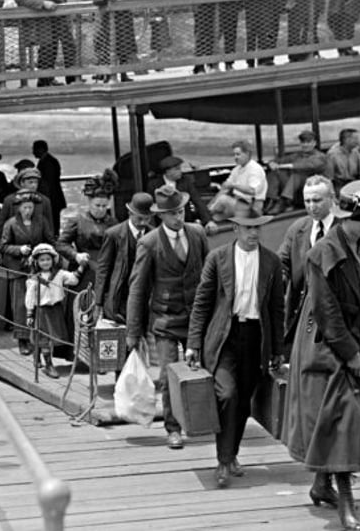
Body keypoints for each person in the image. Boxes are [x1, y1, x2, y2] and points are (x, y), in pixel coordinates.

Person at [282, 179, 360, 530]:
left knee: (333, 425)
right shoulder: (322, 255)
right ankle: (346, 501)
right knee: (346, 423)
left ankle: (321, 485)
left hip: (353, 347)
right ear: (351, 218)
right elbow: (326, 312)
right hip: (323, 350)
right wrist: (350, 354)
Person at [186, 198, 284, 488]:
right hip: (224, 338)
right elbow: (202, 303)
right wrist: (193, 343)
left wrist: (278, 349)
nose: (254, 234)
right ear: (236, 228)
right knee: (226, 394)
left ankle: (231, 455)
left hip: (256, 338)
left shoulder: (271, 261)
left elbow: (277, 308)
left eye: (257, 228)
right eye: (248, 228)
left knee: (243, 401)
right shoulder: (217, 258)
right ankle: (222, 460)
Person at [126, 184, 209, 450]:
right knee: (167, 373)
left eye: (181, 211)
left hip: (196, 319)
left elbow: (210, 279)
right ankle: (173, 428)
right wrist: (132, 332)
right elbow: (137, 289)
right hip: (164, 320)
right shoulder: (149, 243)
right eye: (172, 213)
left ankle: (200, 420)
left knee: (203, 371)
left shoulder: (197, 234)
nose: (178, 217)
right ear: (161, 215)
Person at [277, 175, 337, 346]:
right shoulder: (298, 229)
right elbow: (282, 262)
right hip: (300, 314)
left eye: (317, 200)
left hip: (334, 317)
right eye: (307, 201)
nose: (311, 207)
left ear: (332, 199)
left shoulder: (344, 230)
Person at [0, 189, 55, 355]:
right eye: (25, 208)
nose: (28, 211)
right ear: (19, 208)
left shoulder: (41, 221)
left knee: (40, 302)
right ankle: (22, 339)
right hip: (19, 269)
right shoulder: (10, 224)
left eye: (30, 207)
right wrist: (19, 249)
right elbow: (2, 246)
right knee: (20, 305)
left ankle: (39, 338)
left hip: (37, 269)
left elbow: (50, 239)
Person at [25, 243, 85, 378]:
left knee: (51, 338)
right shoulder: (34, 279)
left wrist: (82, 266)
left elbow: (73, 280)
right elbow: (30, 297)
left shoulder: (60, 274)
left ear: (53, 260)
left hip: (56, 310)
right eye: (42, 260)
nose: (45, 262)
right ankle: (48, 365)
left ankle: (39, 355)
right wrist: (30, 313)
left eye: (48, 259)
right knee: (43, 338)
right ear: (36, 262)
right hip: (41, 310)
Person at [94, 192, 154, 325]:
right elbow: (103, 268)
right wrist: (98, 301)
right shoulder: (113, 234)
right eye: (139, 218)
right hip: (120, 295)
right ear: (130, 213)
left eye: (147, 218)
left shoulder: (154, 235)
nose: (143, 222)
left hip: (146, 296)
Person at [56, 169, 119, 286]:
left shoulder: (114, 223)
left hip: (107, 271)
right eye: (97, 205)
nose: (101, 209)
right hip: (84, 271)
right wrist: (75, 255)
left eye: (104, 206)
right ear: (89, 202)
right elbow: (60, 244)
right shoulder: (77, 221)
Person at [92, 0, 146, 83]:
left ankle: (124, 74)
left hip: (124, 27)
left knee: (124, 51)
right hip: (110, 28)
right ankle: (108, 75)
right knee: (108, 52)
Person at [266, 129, 330, 214]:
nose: (305, 145)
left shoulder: (321, 157)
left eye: (308, 142)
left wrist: (286, 166)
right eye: (303, 142)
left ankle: (284, 201)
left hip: (313, 190)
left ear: (314, 143)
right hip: (295, 192)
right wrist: (272, 163)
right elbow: (279, 160)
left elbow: (307, 166)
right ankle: (270, 199)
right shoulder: (297, 155)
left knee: (297, 175)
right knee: (275, 172)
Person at [147, 156, 217, 233]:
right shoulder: (154, 185)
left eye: (180, 168)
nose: (180, 171)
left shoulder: (186, 181)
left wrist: (208, 221)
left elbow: (197, 201)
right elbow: (151, 208)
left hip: (185, 222)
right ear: (167, 171)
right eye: (177, 169)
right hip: (162, 224)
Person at [208, 140, 268, 220]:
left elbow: (252, 191)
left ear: (247, 154)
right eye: (234, 154)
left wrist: (233, 185)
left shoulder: (255, 169)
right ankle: (205, 217)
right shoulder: (236, 170)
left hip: (252, 209)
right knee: (215, 218)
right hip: (237, 204)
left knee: (223, 199)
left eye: (238, 154)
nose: (235, 157)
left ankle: (203, 215)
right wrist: (210, 204)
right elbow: (225, 188)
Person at [0, 167, 54, 243]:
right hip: (14, 245)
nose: (34, 185)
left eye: (36, 182)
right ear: (22, 183)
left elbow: (50, 227)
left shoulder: (44, 201)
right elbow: (1, 226)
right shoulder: (9, 200)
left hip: (38, 245)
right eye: (30, 182)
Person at [33, 140, 66, 234]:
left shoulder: (48, 163)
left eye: (35, 149)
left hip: (52, 199)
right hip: (53, 199)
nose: (33, 152)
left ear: (41, 149)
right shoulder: (48, 161)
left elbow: (49, 184)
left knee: (52, 225)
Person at [327, 129, 360, 193]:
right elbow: (329, 178)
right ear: (347, 140)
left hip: (354, 183)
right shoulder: (332, 155)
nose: (358, 141)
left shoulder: (355, 152)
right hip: (340, 186)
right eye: (355, 139)